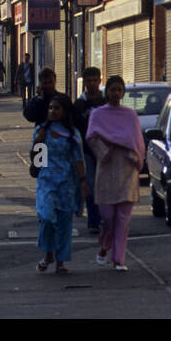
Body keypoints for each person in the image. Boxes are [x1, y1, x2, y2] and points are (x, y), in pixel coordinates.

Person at [86, 75, 145, 271]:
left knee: (123, 219)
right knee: (108, 216)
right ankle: (105, 244)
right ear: (107, 91)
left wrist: (137, 159)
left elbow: (138, 141)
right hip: (107, 168)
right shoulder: (98, 114)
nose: (116, 93)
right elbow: (91, 137)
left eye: (119, 89)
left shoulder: (130, 115)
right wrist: (104, 151)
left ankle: (118, 259)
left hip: (127, 169)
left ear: (123, 93)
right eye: (112, 89)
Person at [32, 93, 86, 274]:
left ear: (64, 111)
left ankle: (61, 261)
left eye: (57, 108)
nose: (53, 111)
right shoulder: (41, 130)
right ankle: (48, 253)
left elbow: (78, 159)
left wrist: (83, 181)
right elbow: (38, 162)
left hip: (67, 183)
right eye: (50, 108)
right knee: (46, 217)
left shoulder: (72, 134)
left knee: (64, 223)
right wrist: (38, 144)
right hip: (47, 181)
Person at [72, 67, 106, 233]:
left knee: (105, 186)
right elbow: (75, 129)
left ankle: (106, 219)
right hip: (86, 151)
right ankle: (93, 220)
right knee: (91, 186)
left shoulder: (105, 101)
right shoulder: (79, 105)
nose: (92, 83)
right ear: (83, 82)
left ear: (100, 80)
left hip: (106, 150)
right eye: (89, 80)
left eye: (95, 80)